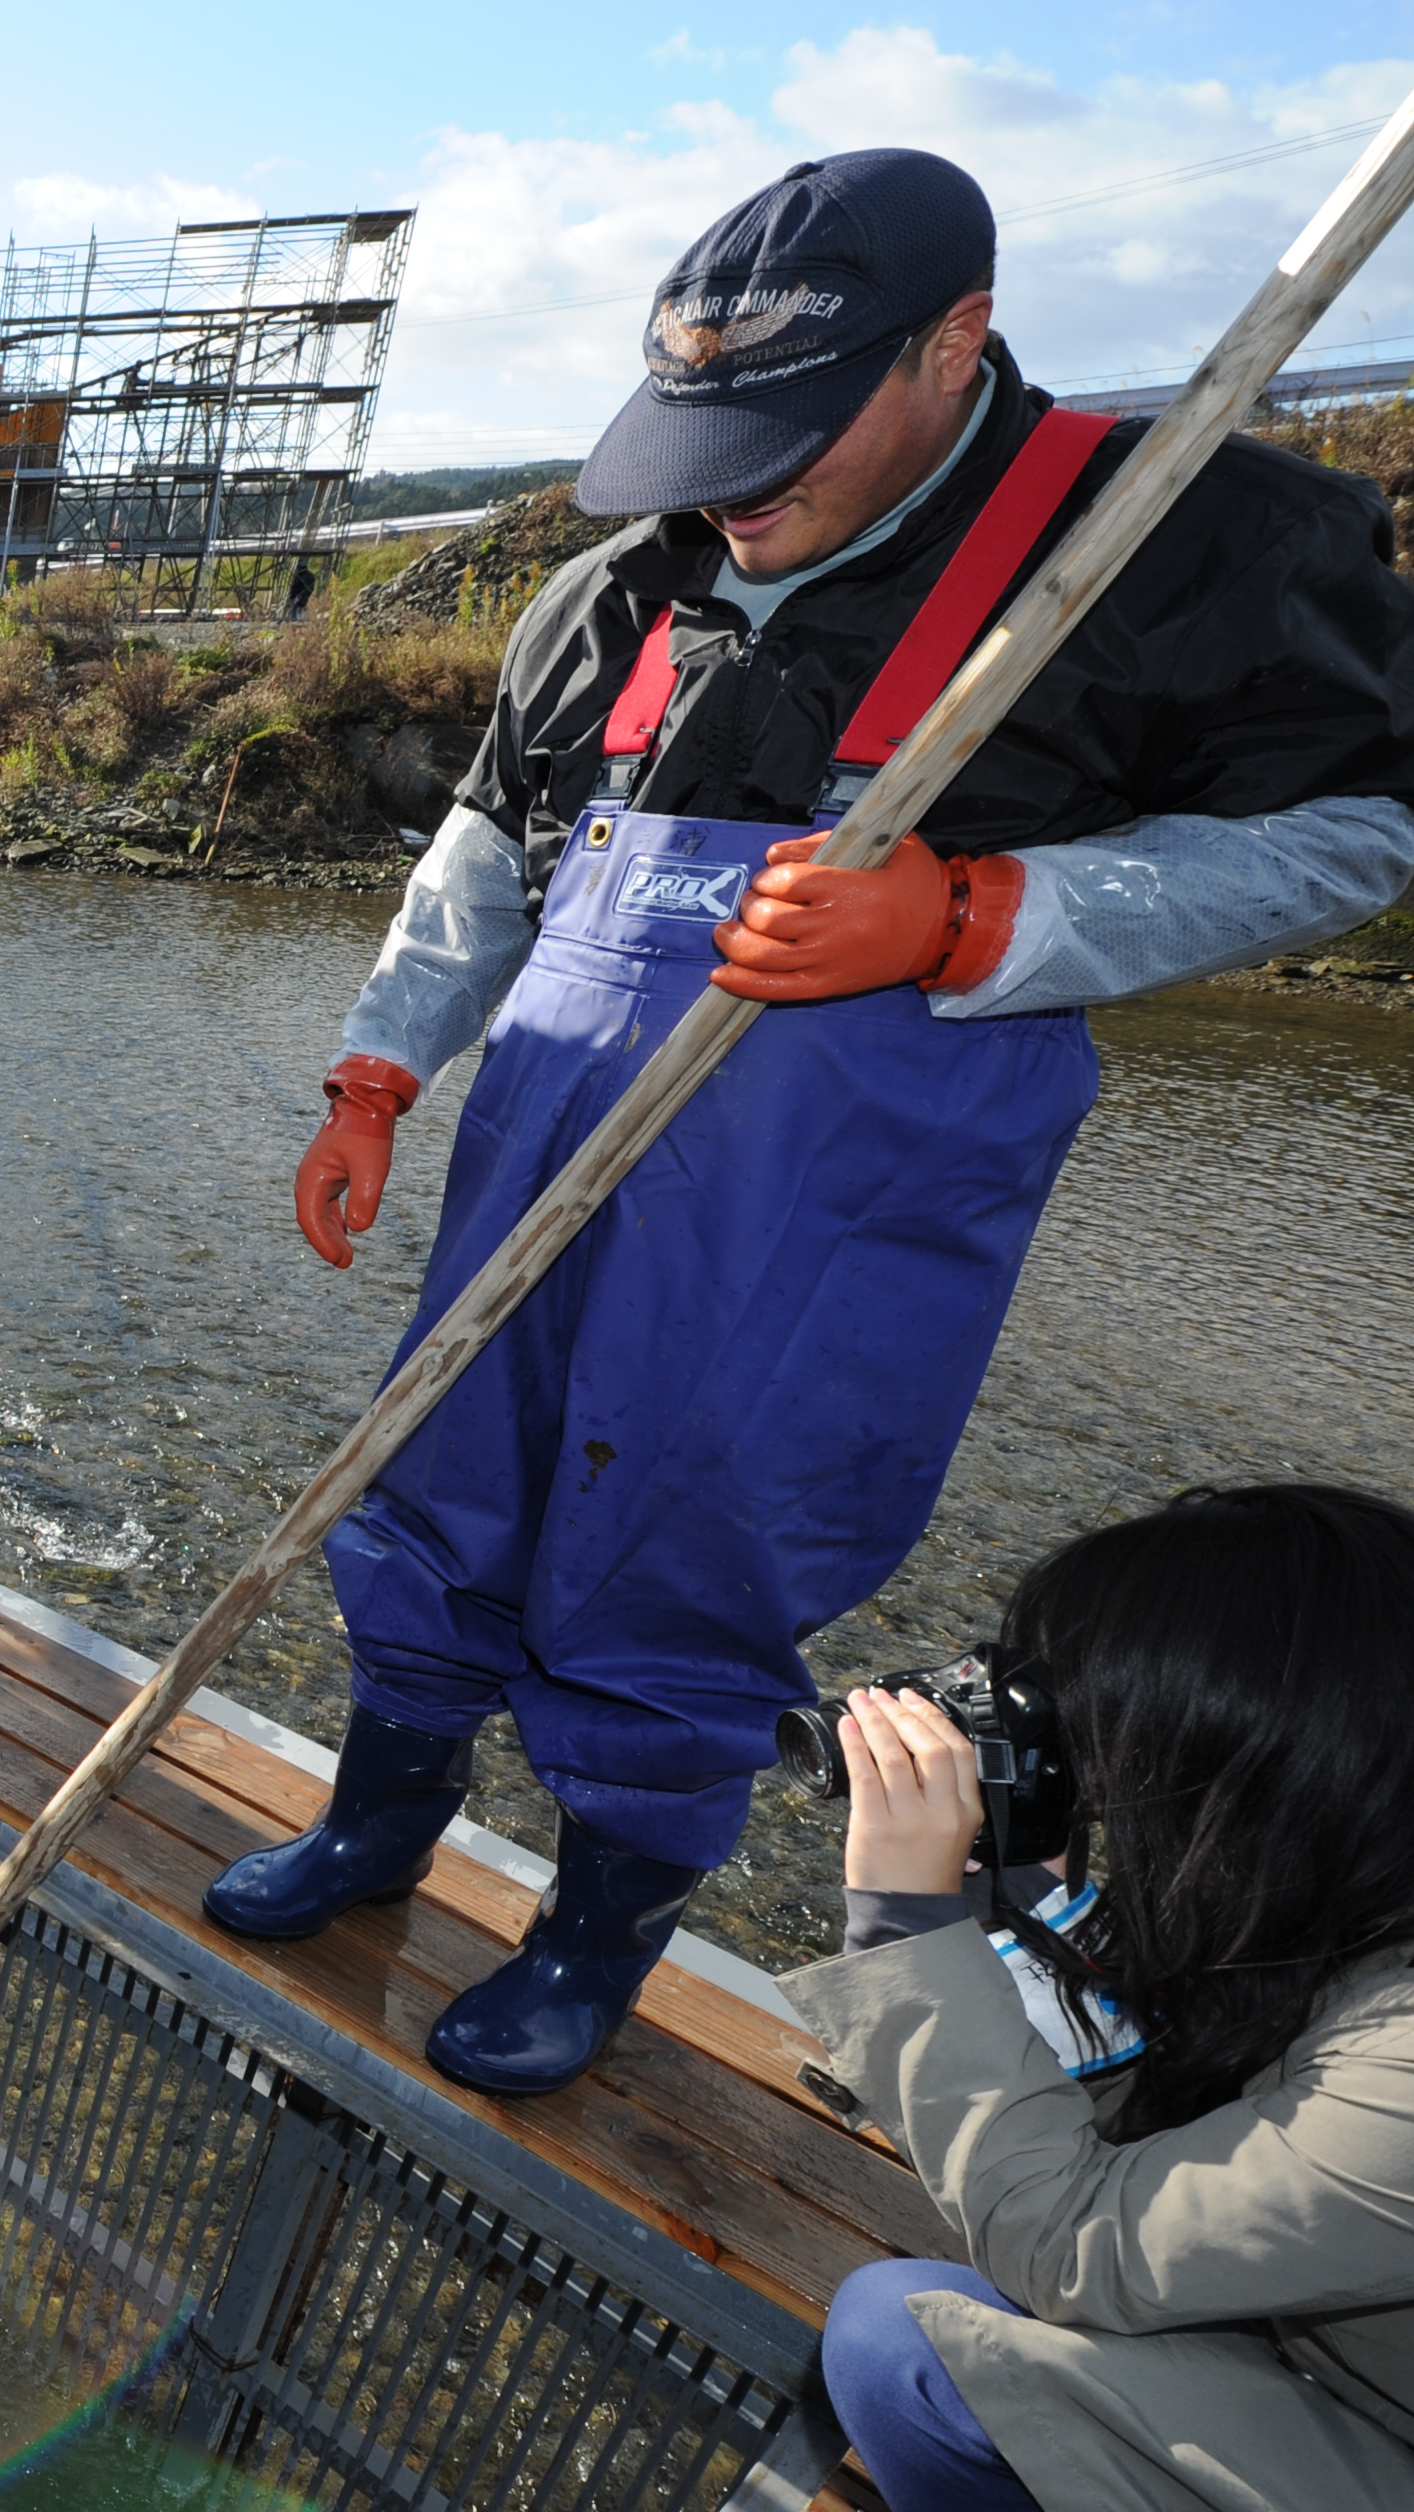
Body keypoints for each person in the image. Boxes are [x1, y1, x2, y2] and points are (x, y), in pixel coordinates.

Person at [212, 149, 1414, 2095]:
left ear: (959, 345)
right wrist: (376, 1069)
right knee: (436, 1496)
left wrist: (976, 912)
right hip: (546, 1163)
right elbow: (481, 861)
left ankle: (594, 1934)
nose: (731, 489)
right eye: (702, 436)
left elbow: (1357, 828)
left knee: (688, 1553)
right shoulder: (620, 594)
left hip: (821, 1213)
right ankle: (377, 1823)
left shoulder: (1167, 554)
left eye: (783, 433)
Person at [795, 1485, 1414, 2512]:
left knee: (908, 2351)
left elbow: (1075, 2242)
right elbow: (1200, 2148)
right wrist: (1034, 1901)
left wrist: (908, 1920)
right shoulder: (1367, 1895)